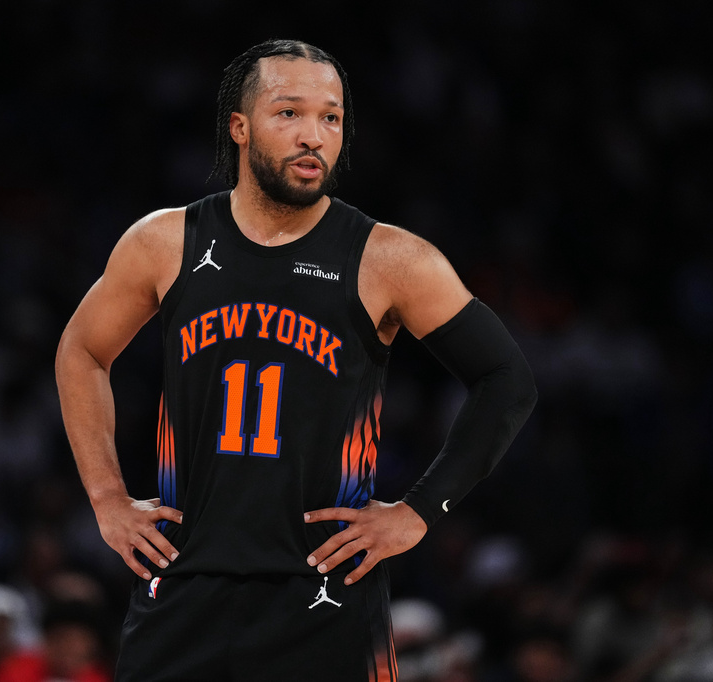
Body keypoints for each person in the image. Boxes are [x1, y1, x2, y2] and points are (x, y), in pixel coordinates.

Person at [55, 38, 537, 682]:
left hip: (327, 596)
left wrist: (421, 511)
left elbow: (507, 380)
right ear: (240, 128)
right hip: (184, 585)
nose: (314, 135)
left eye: (331, 118)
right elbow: (82, 350)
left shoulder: (390, 259)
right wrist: (107, 498)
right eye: (289, 113)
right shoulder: (164, 242)